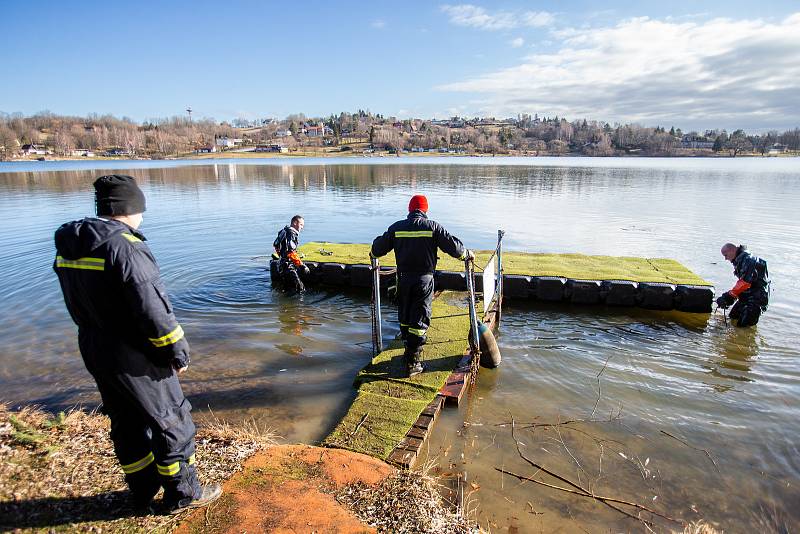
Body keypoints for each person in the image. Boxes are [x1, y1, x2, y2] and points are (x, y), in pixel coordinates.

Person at [53, 175, 221, 513]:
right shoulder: (125, 247)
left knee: (127, 421)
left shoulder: (73, 244)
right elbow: (152, 308)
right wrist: (177, 350)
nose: (142, 216)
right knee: (171, 420)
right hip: (135, 353)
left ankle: (142, 490)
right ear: (129, 208)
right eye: (140, 209)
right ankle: (183, 494)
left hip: (94, 346)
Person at [371, 195, 473, 377]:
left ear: (410, 210)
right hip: (424, 280)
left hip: (402, 280)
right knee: (419, 319)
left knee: (405, 315)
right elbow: (454, 248)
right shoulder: (432, 227)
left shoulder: (397, 227)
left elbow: (377, 248)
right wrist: (467, 255)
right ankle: (413, 363)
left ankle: (407, 352)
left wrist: (372, 253)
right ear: (425, 210)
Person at [716, 243, 770, 327]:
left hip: (756, 300)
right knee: (732, 317)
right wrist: (730, 299)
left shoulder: (748, 260)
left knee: (743, 327)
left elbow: (745, 283)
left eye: (726, 255)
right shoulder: (742, 259)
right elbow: (745, 284)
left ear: (732, 250)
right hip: (747, 296)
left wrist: (728, 296)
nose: (725, 258)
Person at [272, 215, 310, 293]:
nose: (302, 227)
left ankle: (284, 305)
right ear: (295, 223)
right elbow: (290, 252)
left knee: (287, 289)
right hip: (288, 266)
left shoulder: (284, 231)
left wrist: (281, 255)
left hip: (281, 265)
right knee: (300, 289)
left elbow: (276, 244)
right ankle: (299, 305)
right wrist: (301, 265)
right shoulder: (291, 233)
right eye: (301, 225)